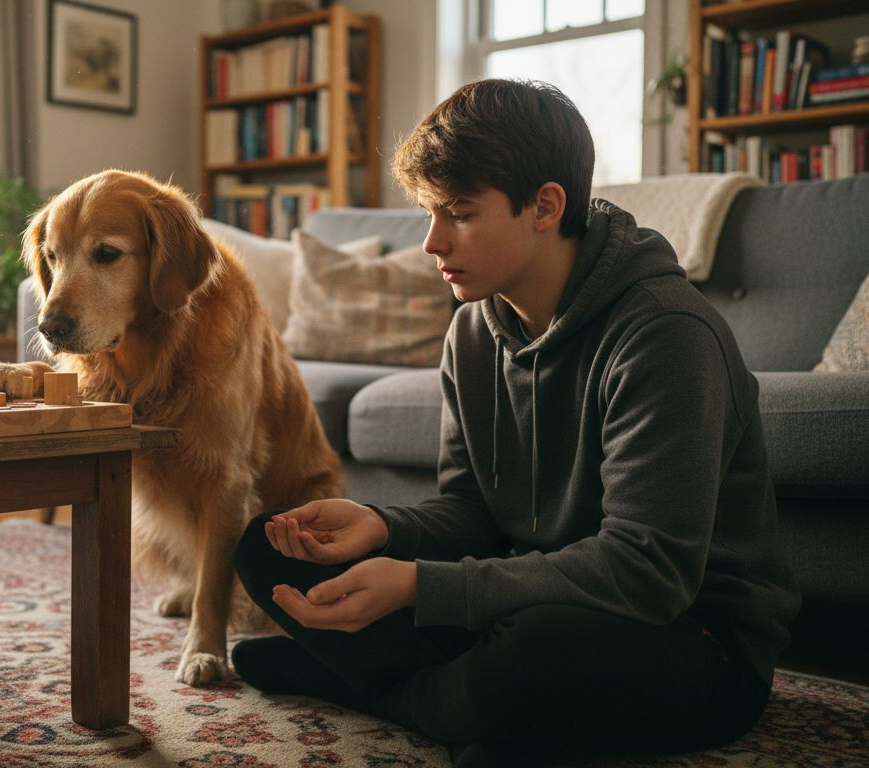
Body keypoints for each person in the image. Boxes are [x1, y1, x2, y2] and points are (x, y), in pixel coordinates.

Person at [230, 79, 801, 766]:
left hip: (692, 641)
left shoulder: (665, 333)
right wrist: (382, 527)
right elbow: (471, 512)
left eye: (459, 214)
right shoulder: (473, 329)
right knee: (270, 543)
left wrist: (418, 585)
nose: (432, 243)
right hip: (526, 600)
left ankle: (390, 694)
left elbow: (646, 571)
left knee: (536, 651)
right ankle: (466, 705)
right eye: (428, 213)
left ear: (545, 206)